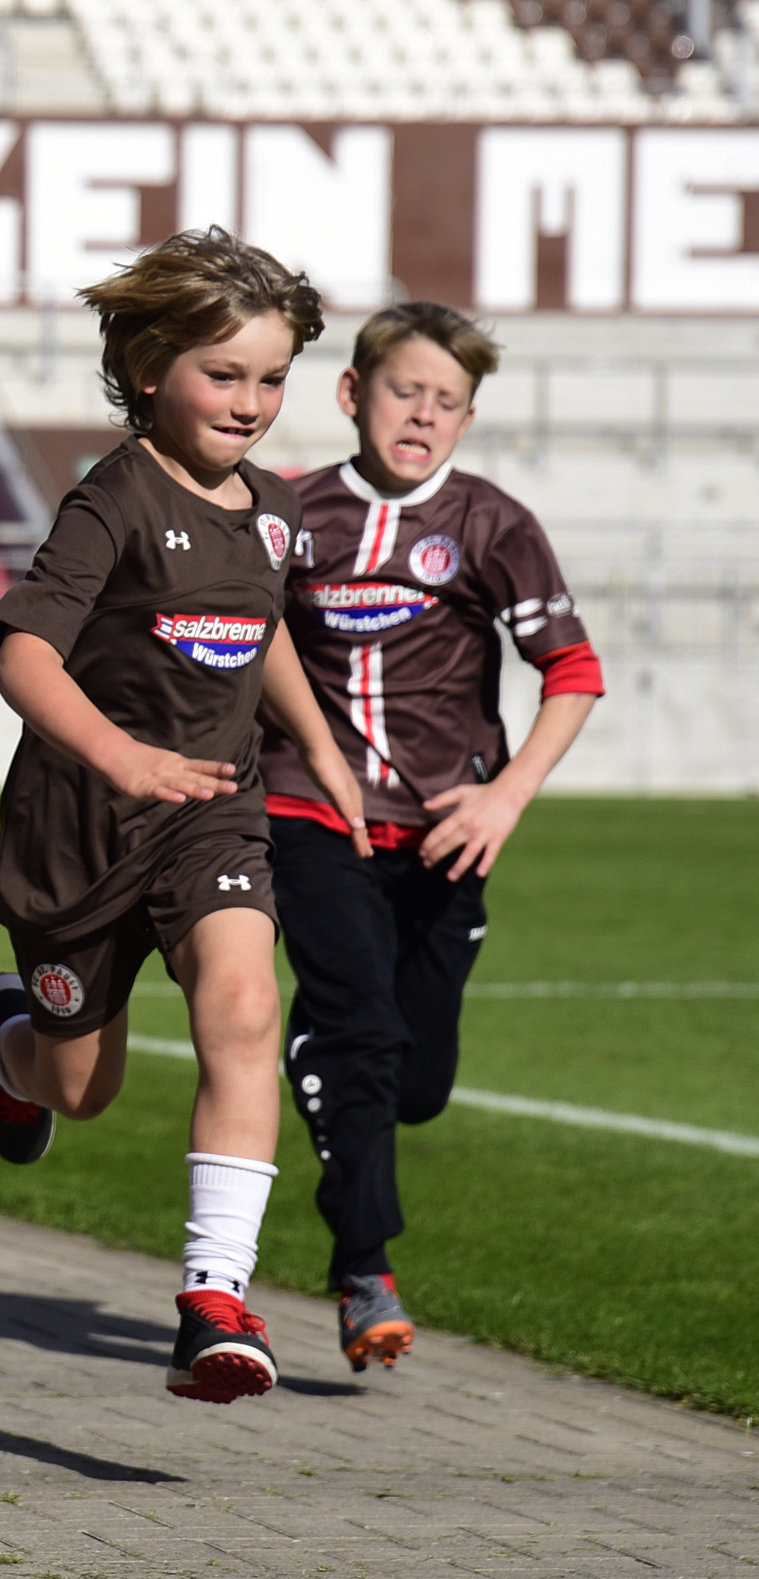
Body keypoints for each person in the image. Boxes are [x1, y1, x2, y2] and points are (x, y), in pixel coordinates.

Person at [0, 228, 367, 1404]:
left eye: (272, 375)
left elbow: (261, 625)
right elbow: (25, 654)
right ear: (147, 367)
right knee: (80, 1088)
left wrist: (320, 747)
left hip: (214, 815)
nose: (252, 401)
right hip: (77, 832)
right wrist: (119, 755)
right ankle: (5, 1046)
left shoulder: (278, 508)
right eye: (223, 373)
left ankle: (214, 1296)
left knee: (244, 1004)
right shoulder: (113, 500)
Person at [264, 302, 602, 1373]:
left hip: (447, 832)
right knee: (362, 1033)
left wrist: (505, 799)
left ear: (465, 418)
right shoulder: (288, 514)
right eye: (406, 390)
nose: (424, 414)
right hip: (308, 812)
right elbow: (239, 642)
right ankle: (366, 1269)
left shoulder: (494, 525)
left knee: (414, 1082)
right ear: (351, 393)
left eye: (447, 401)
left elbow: (573, 674)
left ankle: (320, 1045)